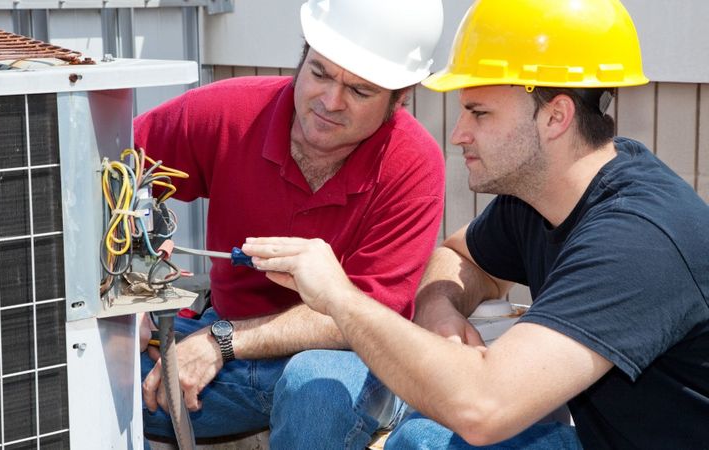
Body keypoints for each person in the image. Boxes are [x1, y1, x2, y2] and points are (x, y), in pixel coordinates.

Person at [241, 0, 709, 448]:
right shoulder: (540, 196)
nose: (457, 133)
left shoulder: (638, 240)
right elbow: (459, 256)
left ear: (556, 116)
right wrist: (441, 310)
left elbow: (484, 410)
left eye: (479, 113)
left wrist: (339, 297)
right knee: (419, 440)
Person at [134, 0, 446, 448]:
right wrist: (132, 275)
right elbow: (110, 174)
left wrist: (220, 342)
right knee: (100, 373)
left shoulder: (413, 165)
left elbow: (365, 317)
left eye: (360, 92)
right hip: (219, 341)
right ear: (302, 56)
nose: (330, 102)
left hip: (343, 359)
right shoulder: (229, 112)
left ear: (402, 97)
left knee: (314, 390)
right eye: (319, 73)